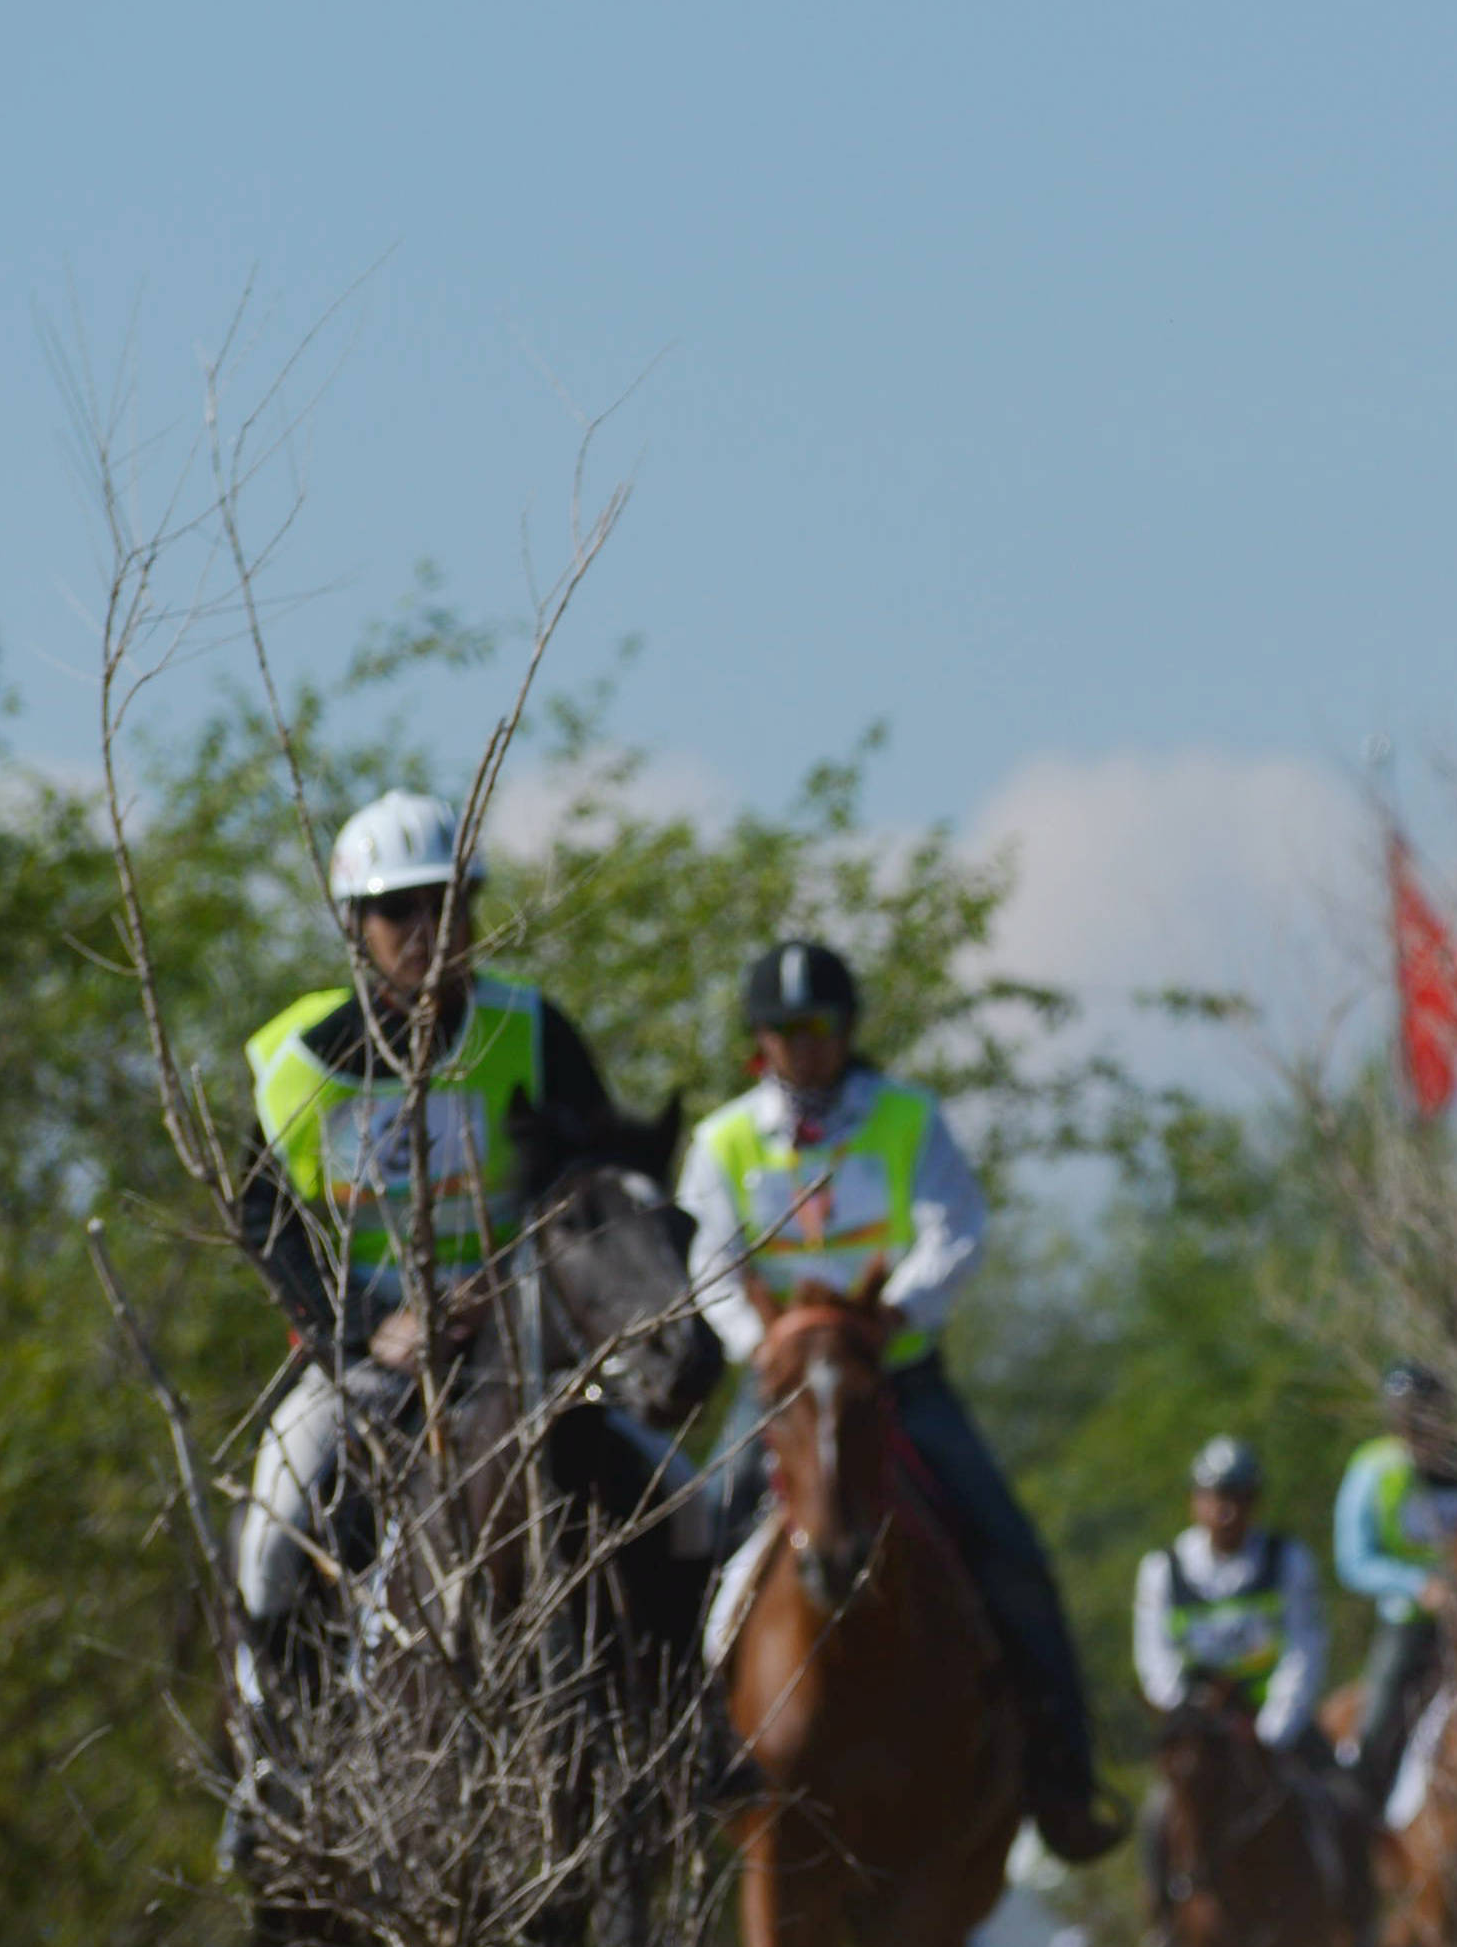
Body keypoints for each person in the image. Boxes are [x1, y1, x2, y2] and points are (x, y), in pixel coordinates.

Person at [678, 939, 1123, 1859]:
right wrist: (766, 1344)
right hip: (782, 1392)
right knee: (692, 1547)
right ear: (760, 1041)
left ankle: (1060, 1776)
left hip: (895, 1379)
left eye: (822, 1029)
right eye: (787, 1032)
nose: (806, 1048)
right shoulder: (721, 1138)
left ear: (847, 1033)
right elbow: (708, 1262)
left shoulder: (907, 1116)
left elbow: (954, 1226)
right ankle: (679, 1767)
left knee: (1010, 1551)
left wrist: (894, 1312)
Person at [231, 791, 641, 1717]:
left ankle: (696, 1734)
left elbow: (594, 1189)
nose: (427, 929)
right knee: (273, 1530)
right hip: (370, 1358)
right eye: (398, 909)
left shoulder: (535, 1031)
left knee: (683, 1499)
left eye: (448, 904)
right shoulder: (297, 1059)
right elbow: (264, 1216)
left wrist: (504, 1294)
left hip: (525, 1344)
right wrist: (371, 1329)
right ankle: (272, 1763)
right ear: (355, 924)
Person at [1130, 1432, 1331, 1947]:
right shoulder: (1163, 1569)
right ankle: (1165, 1933)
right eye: (1213, 1495)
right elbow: (1154, 1657)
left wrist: (1274, 1725)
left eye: (1237, 1496)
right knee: (1158, 1819)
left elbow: (1305, 1646)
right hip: (1200, 1732)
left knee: (1339, 1798)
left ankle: (1351, 1923)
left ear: (1253, 1502)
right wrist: (1193, 1716)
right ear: (1195, 1500)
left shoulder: (1287, 1560)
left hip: (1273, 1725)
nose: (1224, 1509)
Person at [1329, 1367, 1457, 1786]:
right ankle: (1366, 1807)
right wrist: (1417, 1586)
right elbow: (1353, 1560)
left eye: (1427, 1413)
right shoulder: (1374, 1469)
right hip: (1410, 1625)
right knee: (1381, 1724)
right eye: (1407, 1415)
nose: (1418, 1424)